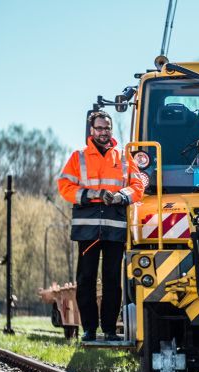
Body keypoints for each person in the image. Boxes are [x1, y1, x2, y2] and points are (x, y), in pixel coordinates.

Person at [58, 111, 144, 342]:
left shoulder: (125, 157)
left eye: (107, 128)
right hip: (88, 230)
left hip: (115, 228)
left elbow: (138, 186)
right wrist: (91, 194)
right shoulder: (79, 157)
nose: (103, 132)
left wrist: (120, 197)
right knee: (86, 278)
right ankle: (89, 330)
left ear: (111, 130)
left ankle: (108, 329)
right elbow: (64, 186)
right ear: (91, 130)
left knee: (112, 279)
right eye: (99, 128)